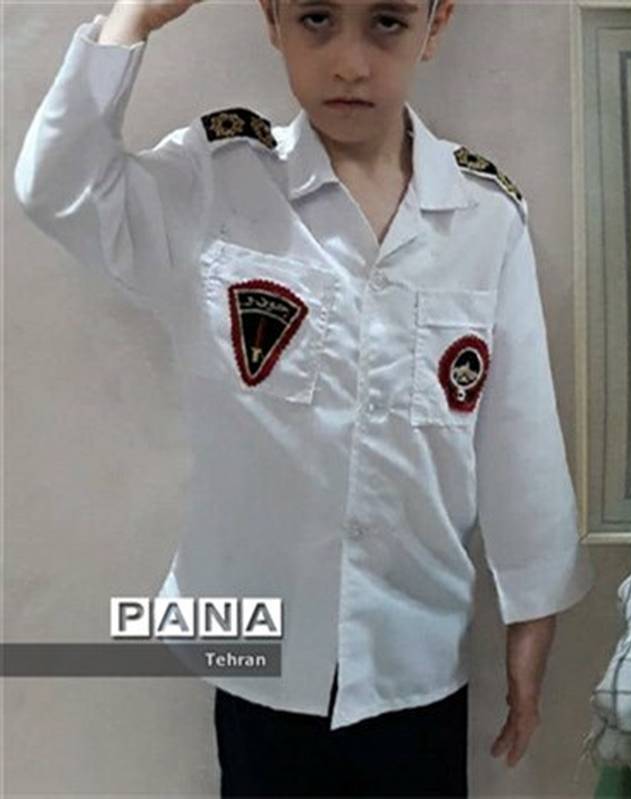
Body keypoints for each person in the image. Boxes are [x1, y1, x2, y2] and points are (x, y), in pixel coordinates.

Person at [13, 0, 593, 794]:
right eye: (317, 18)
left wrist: (533, 616)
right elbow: (59, 190)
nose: (350, 62)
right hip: (262, 660)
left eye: (386, 21)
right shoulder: (217, 181)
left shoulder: (485, 219)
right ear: (272, 19)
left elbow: (518, 437)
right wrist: (133, 18)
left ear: (436, 23)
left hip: (415, 661)